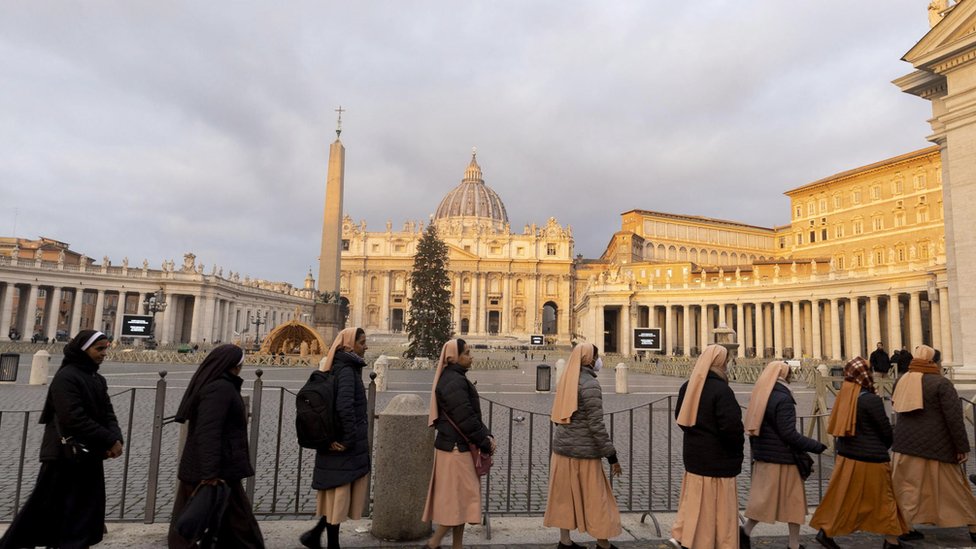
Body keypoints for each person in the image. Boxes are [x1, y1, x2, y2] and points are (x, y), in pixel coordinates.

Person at [0, 330, 123, 549]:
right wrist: (108, 440)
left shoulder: (96, 378)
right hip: (63, 454)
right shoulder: (66, 377)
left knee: (78, 509)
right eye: (99, 349)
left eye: (105, 348)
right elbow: (73, 418)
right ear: (83, 350)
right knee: (54, 507)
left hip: (86, 454)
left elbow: (108, 412)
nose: (104, 353)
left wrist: (116, 438)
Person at [169, 344, 264, 548]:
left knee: (198, 524)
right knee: (234, 527)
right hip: (215, 472)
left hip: (216, 470)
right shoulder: (220, 389)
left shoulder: (219, 385)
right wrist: (210, 473)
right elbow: (208, 431)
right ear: (234, 366)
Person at [809, 357, 908, 549]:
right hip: (872, 459)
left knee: (844, 499)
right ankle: (892, 542)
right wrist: (885, 445)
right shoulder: (871, 400)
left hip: (848, 457)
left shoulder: (844, 396)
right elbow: (885, 431)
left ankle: (827, 531)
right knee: (885, 500)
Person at [891, 345, 976, 543]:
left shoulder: (901, 381)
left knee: (906, 491)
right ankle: (973, 524)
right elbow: (954, 419)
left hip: (905, 446)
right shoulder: (941, 383)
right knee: (955, 489)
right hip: (936, 448)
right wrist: (962, 447)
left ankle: (903, 527)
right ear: (933, 362)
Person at [543, 343, 623, 549]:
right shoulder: (590, 384)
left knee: (564, 498)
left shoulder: (567, 380)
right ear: (589, 359)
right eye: (596, 356)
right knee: (597, 498)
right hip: (584, 452)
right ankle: (603, 544)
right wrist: (611, 455)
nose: (598, 360)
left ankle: (565, 542)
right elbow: (596, 424)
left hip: (562, 449)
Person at [742, 362, 827, 549]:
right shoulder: (783, 398)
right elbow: (789, 433)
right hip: (784, 457)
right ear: (784, 375)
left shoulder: (762, 394)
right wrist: (816, 446)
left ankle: (746, 532)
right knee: (794, 503)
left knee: (764, 501)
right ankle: (793, 545)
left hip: (766, 455)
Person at [668, 344, 746, 549]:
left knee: (694, 505)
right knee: (720, 509)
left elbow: (681, 418)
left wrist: (697, 436)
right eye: (726, 362)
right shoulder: (722, 390)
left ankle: (689, 538)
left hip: (694, 458)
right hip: (719, 461)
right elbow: (732, 428)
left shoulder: (688, 386)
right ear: (720, 363)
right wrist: (738, 452)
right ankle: (719, 542)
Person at [422, 339, 496, 549]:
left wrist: (486, 434)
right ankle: (433, 544)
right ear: (454, 357)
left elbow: (468, 415)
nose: (471, 356)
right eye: (467, 353)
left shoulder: (455, 378)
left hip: (457, 445)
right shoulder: (453, 381)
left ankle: (457, 546)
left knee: (460, 500)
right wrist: (484, 442)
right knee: (459, 501)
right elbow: (464, 417)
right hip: (455, 448)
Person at [302, 328, 371, 549]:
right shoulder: (348, 371)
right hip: (342, 444)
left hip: (335, 442)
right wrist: (349, 439)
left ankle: (315, 534)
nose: (366, 346)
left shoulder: (339, 366)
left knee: (336, 494)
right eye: (362, 342)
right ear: (350, 346)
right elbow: (344, 407)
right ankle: (331, 544)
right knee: (339, 494)